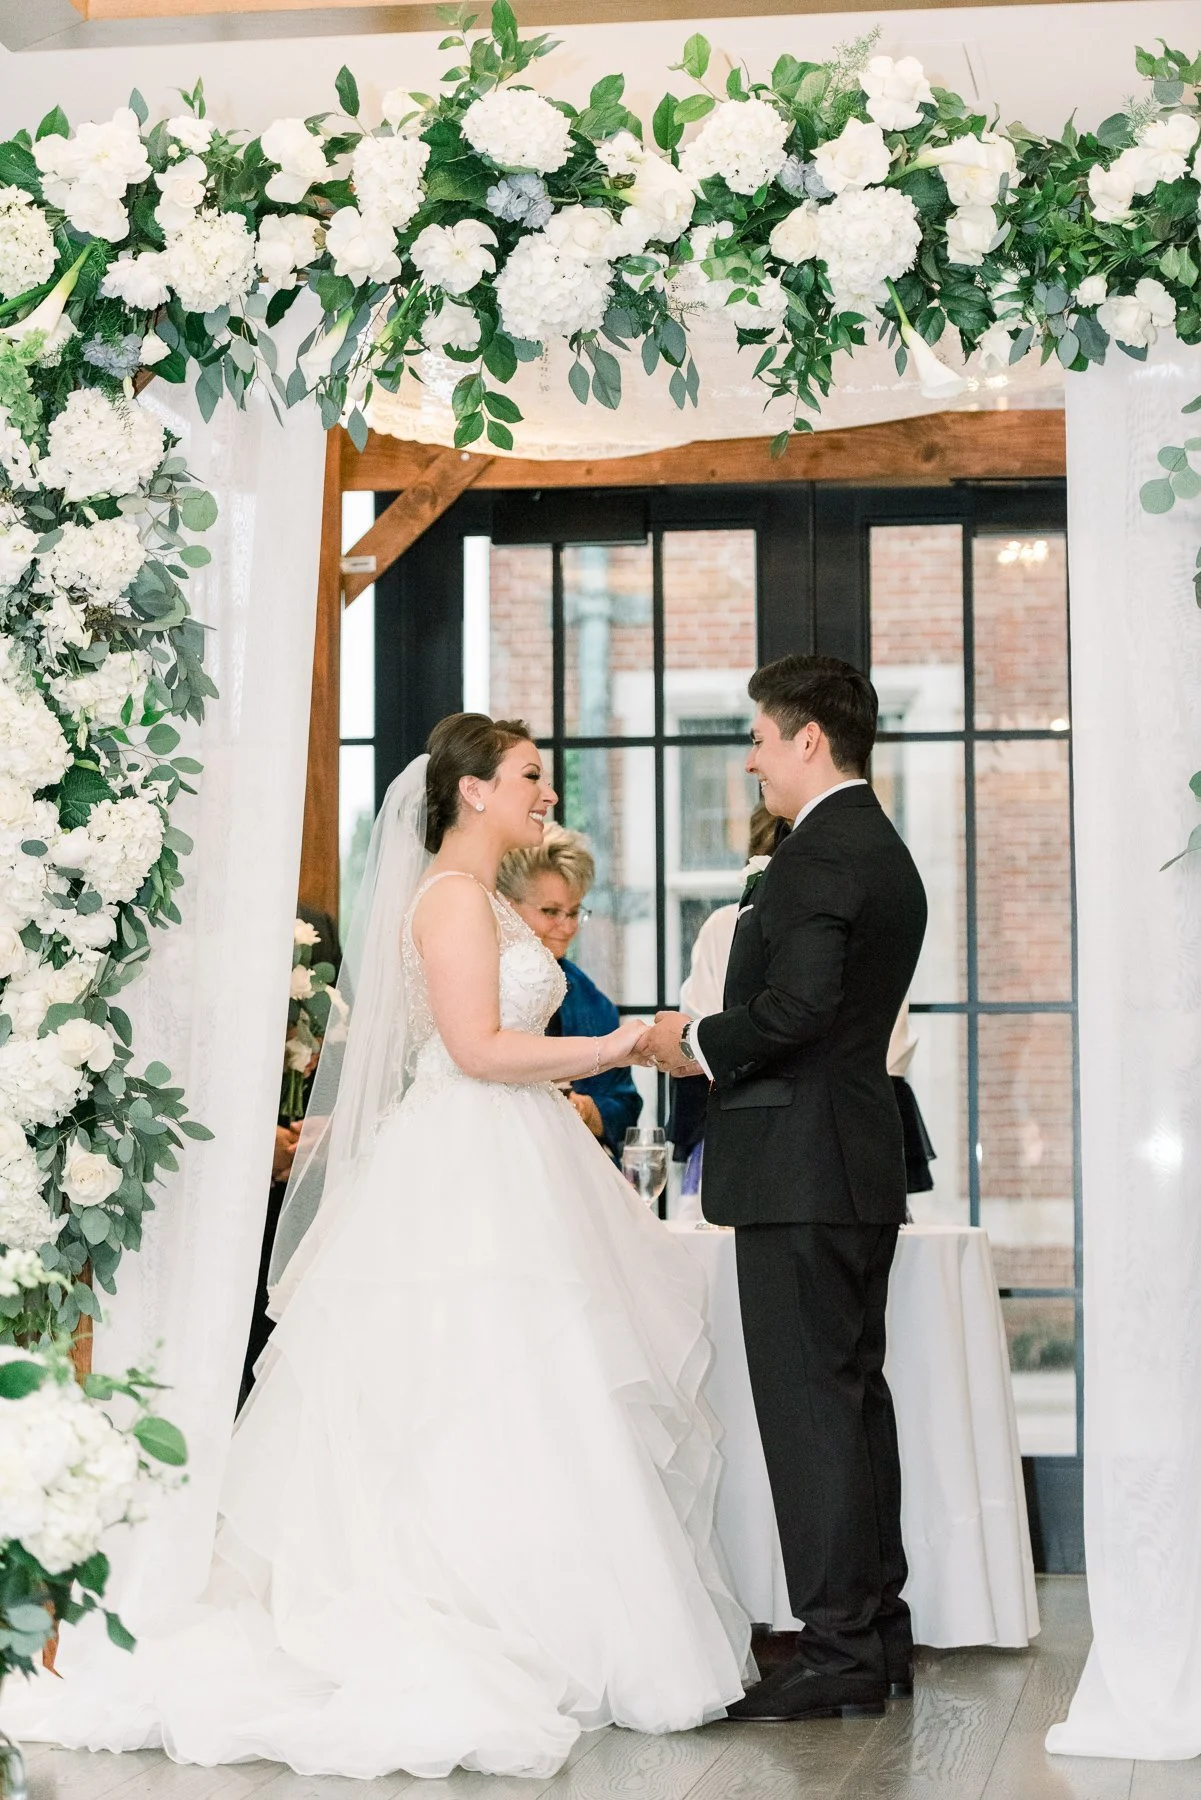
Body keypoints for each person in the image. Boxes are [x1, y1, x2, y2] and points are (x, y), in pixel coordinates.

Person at [70, 713, 749, 1782]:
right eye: (529, 776)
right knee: (474, 1383)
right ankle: (459, 1612)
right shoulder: (450, 900)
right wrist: (623, 1040)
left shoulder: (481, 898)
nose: (545, 794)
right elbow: (477, 1049)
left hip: (510, 1155)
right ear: (473, 790)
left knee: (532, 1383)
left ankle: (543, 1616)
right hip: (469, 1164)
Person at [640, 655, 927, 1725]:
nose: (751, 759)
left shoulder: (815, 854)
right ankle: (876, 1633)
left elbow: (798, 1010)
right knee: (850, 1402)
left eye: (759, 738)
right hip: (850, 1159)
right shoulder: (881, 847)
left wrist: (694, 1043)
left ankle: (838, 1648)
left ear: (809, 738)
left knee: (811, 1413)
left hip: (800, 1168)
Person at [241, 903, 340, 1402]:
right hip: (236, 1186)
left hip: (306, 1180)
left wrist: (320, 1136)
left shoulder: (314, 924)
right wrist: (260, 1146)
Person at [498, 823, 642, 1160]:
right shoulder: (477, 985)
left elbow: (625, 1104)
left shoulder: (592, 1001)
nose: (569, 927)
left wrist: (587, 1110)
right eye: (551, 912)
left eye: (575, 912)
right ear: (507, 905)